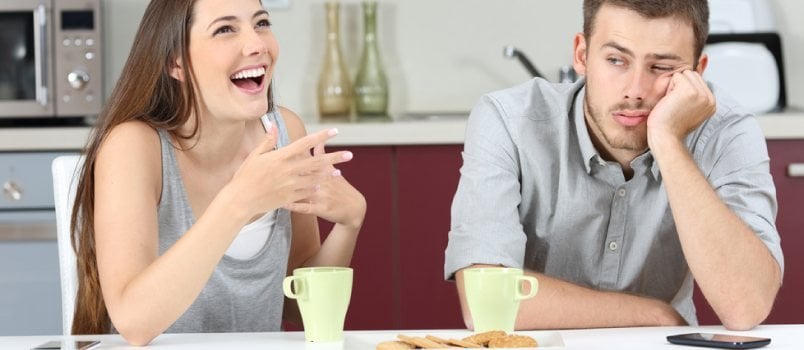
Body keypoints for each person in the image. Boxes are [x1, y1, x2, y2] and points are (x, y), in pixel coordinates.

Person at [445, 0, 783, 331]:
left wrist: (667, 141)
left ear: (698, 72)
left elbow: (746, 307)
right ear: (581, 54)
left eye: (662, 67)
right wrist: (655, 315)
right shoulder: (508, 121)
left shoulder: (727, 131)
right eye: (616, 60)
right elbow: (484, 302)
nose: (635, 91)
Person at [69, 0, 366, 345]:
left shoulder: (286, 132)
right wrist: (238, 203)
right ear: (175, 62)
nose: (257, 44)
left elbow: (294, 306)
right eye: (225, 29)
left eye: (261, 23)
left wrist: (349, 224)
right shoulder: (134, 146)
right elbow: (134, 322)